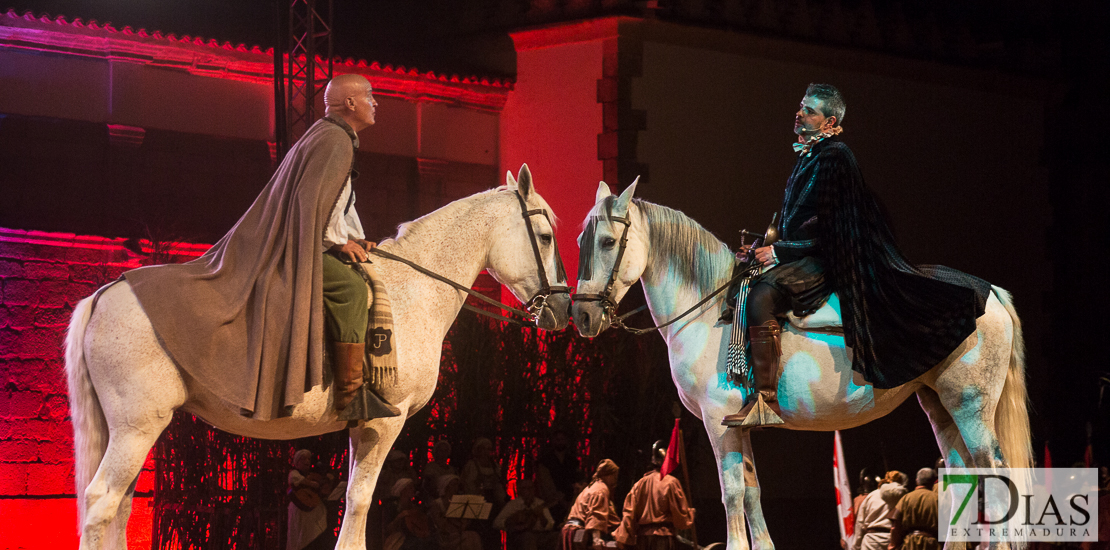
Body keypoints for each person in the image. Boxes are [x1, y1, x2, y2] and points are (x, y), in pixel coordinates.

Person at [124, 73, 400, 421]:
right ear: (349, 103)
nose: (375, 103)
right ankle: (351, 393)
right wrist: (337, 242)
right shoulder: (335, 140)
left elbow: (335, 200)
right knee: (351, 289)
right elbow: (310, 199)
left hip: (313, 235)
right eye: (370, 96)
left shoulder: (331, 135)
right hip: (299, 244)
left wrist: (352, 237)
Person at [721, 83, 987, 427]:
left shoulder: (835, 156)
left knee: (760, 297)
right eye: (801, 106)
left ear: (830, 122)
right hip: (802, 256)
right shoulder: (808, 156)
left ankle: (764, 401)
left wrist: (781, 252)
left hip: (827, 260)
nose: (800, 113)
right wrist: (762, 250)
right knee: (742, 281)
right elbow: (801, 226)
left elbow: (833, 231)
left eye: (810, 110)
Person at [613, 441, 695, 550]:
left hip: (643, 540)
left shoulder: (639, 484)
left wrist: (625, 538)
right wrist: (690, 514)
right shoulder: (671, 483)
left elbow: (629, 514)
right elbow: (680, 517)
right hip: (663, 540)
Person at [563, 459, 620, 550]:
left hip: (570, 530)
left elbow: (609, 517)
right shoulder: (601, 489)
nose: (615, 480)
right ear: (607, 475)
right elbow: (596, 514)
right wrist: (596, 539)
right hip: (578, 532)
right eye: (614, 476)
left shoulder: (591, 487)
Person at [494, 479, 558, 550]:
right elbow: (496, 523)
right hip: (521, 536)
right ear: (519, 490)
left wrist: (541, 516)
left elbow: (551, 524)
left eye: (530, 488)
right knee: (528, 537)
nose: (527, 490)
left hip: (541, 535)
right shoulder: (513, 504)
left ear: (534, 489)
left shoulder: (540, 503)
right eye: (524, 488)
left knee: (558, 536)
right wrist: (511, 520)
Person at [853, 471, 908, 550]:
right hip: (892, 540)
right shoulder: (903, 497)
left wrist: (856, 546)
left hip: (871, 542)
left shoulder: (872, 495)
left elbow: (860, 523)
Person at [287, 449, 330, 550]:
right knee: (299, 538)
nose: (307, 461)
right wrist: (311, 484)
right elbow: (294, 479)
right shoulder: (294, 473)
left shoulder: (314, 475)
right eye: (303, 459)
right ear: (297, 462)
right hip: (299, 511)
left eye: (308, 459)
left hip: (311, 512)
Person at [428, 475, 483, 550]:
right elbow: (440, 525)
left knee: (473, 536)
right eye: (453, 485)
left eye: (457, 484)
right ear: (445, 486)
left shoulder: (460, 502)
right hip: (445, 536)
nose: (456, 487)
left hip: (459, 533)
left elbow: (463, 525)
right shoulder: (437, 503)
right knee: (469, 538)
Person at [889, 468, 939, 550]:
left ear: (916, 481)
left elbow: (895, 525)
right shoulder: (938, 499)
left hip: (910, 544)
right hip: (931, 544)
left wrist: (893, 545)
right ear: (933, 482)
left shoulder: (905, 498)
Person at [537, 430, 581, 524]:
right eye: (558, 439)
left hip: (572, 501)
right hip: (553, 504)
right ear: (553, 441)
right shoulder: (546, 461)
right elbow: (546, 485)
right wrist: (561, 500)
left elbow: (578, 479)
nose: (560, 442)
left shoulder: (572, 460)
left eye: (562, 439)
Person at [384, 478, 436, 550]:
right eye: (410, 488)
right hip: (400, 537)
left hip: (415, 535)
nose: (413, 490)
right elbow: (388, 529)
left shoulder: (414, 505)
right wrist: (400, 516)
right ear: (403, 490)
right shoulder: (392, 506)